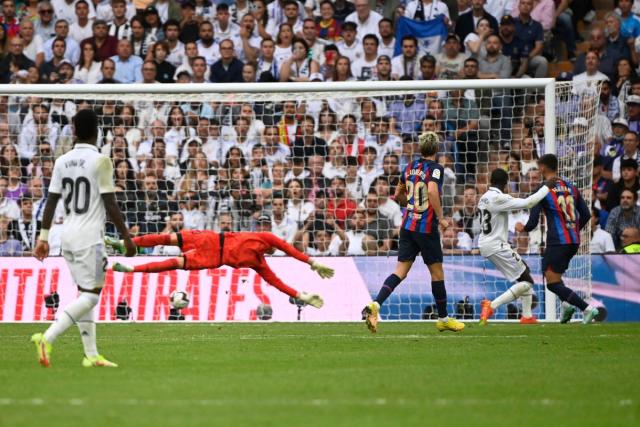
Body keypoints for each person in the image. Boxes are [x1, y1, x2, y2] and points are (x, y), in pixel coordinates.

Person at [31, 109, 136, 369]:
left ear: (75, 131)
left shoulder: (61, 161)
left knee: (86, 292)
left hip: (66, 235)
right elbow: (110, 202)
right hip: (90, 238)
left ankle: (91, 354)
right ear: (97, 131)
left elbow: (51, 201)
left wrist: (43, 238)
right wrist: (127, 237)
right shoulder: (101, 161)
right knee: (91, 296)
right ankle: (48, 337)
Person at [362, 132, 464, 333]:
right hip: (425, 229)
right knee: (437, 273)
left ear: (420, 148)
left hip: (407, 226)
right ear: (436, 149)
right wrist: (441, 217)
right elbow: (433, 191)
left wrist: (410, 204)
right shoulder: (435, 169)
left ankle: (376, 304)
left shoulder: (409, 168)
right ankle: (443, 318)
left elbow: (397, 194)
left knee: (400, 271)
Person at [105, 230, 334, 309]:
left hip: (213, 255)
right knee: (167, 238)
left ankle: (130, 269)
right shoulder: (266, 237)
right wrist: (311, 262)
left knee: (173, 262)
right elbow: (288, 248)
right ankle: (126, 243)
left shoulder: (260, 264)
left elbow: (276, 282)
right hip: (211, 239)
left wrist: (300, 295)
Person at [515, 154, 599, 324]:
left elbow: (532, 222)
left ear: (543, 168)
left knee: (552, 283)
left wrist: (523, 228)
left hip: (558, 241)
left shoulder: (542, 189)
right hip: (573, 241)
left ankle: (587, 309)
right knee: (554, 276)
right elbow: (586, 214)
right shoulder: (571, 187)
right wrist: (573, 229)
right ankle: (567, 306)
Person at [477, 168, 556, 325]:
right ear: (506, 183)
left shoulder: (484, 197)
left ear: (491, 180)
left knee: (524, 272)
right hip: (496, 245)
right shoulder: (499, 198)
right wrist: (546, 187)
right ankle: (491, 306)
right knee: (527, 282)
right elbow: (529, 202)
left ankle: (526, 316)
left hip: (486, 243)